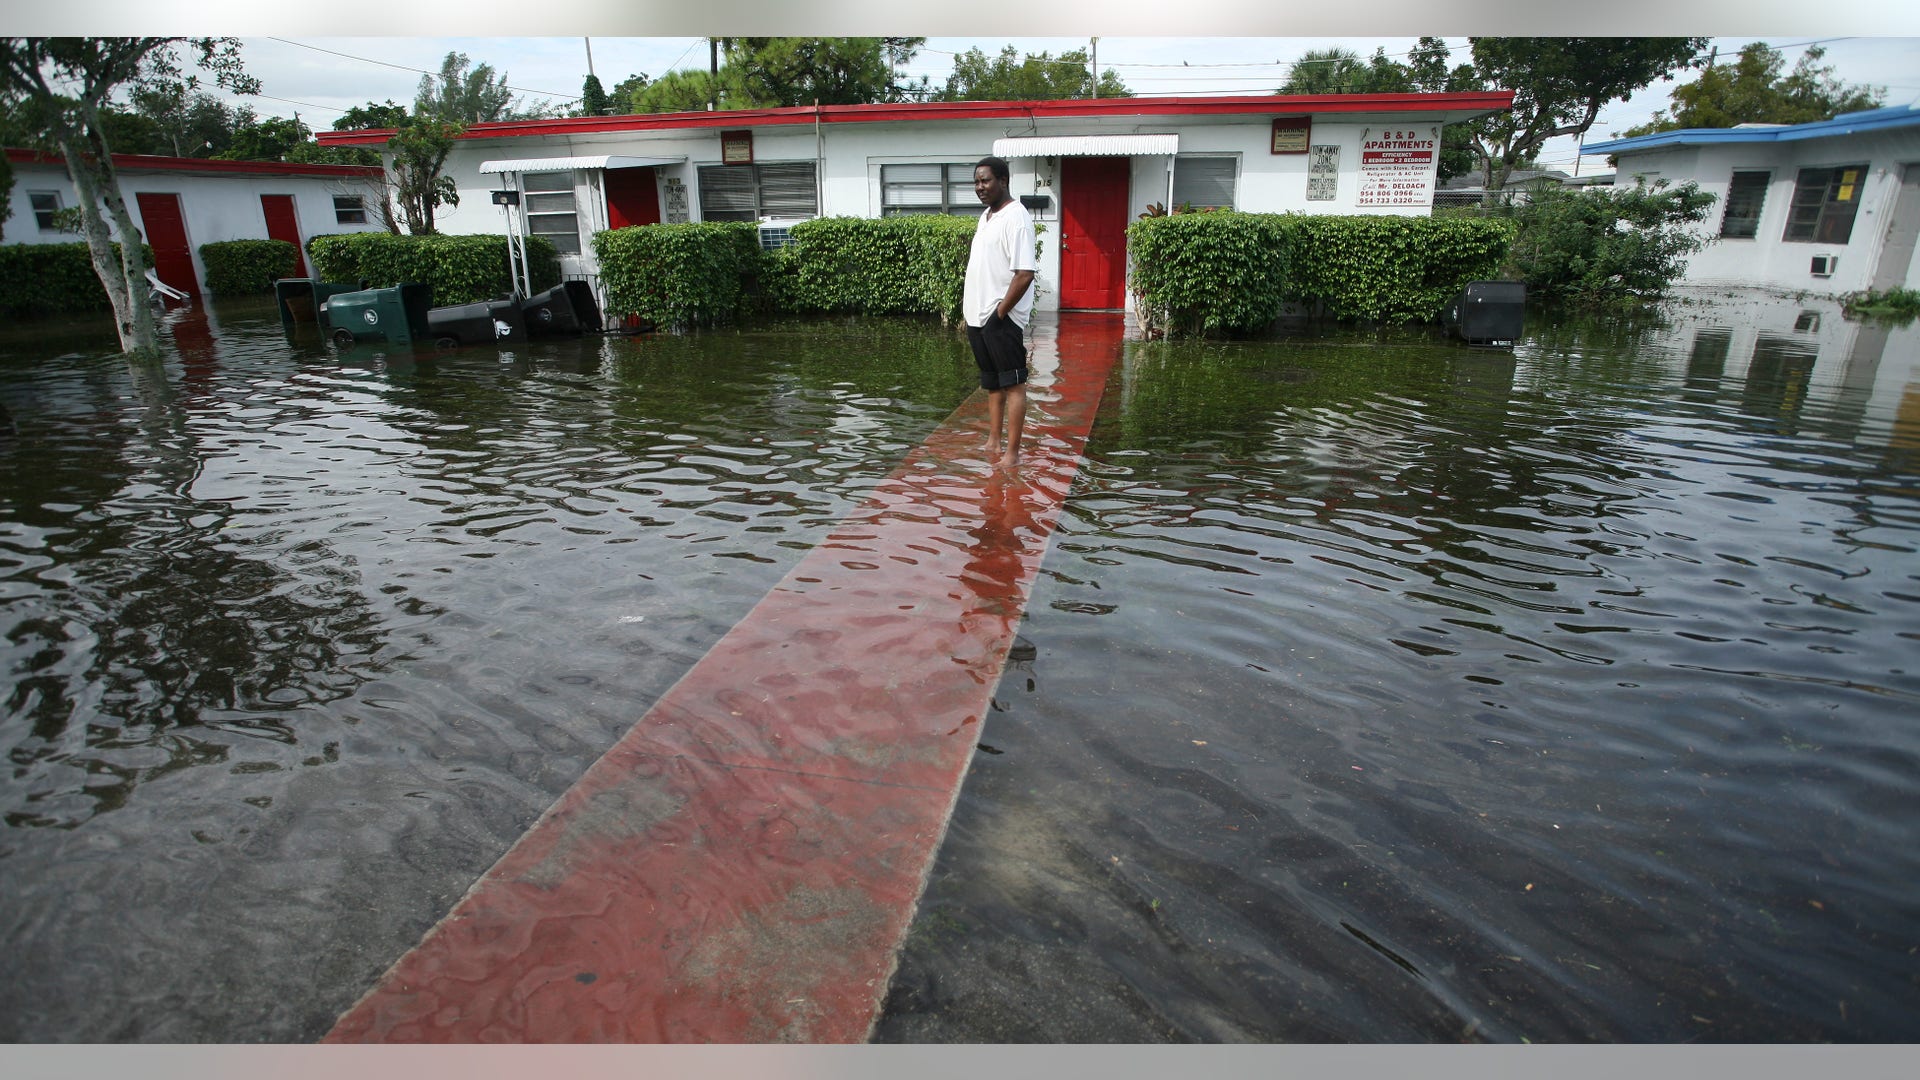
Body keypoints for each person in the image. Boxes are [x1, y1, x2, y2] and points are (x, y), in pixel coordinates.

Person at [963, 155, 1037, 470]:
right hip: (978, 316)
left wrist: (1000, 314)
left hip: (1001, 318)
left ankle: (1013, 453)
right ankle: (993, 440)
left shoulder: (1016, 216)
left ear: (1003, 181)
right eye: (976, 182)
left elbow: (1024, 273)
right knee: (992, 383)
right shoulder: (987, 216)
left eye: (986, 180)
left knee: (1013, 384)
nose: (980, 187)